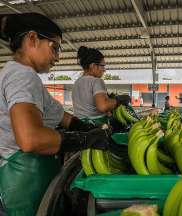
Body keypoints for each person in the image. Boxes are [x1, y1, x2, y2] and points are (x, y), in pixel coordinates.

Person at [0, 13, 113, 216]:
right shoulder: (22, 76)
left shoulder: (21, 75)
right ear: (32, 39)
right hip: (25, 180)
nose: (57, 57)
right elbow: (30, 139)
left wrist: (86, 128)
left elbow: (61, 116)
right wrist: (84, 140)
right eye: (55, 47)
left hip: (29, 175)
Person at [72, 46, 130, 128]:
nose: (104, 70)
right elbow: (102, 106)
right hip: (96, 128)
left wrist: (108, 98)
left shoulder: (77, 83)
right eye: (102, 66)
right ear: (93, 66)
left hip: (79, 126)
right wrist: (118, 100)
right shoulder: (97, 81)